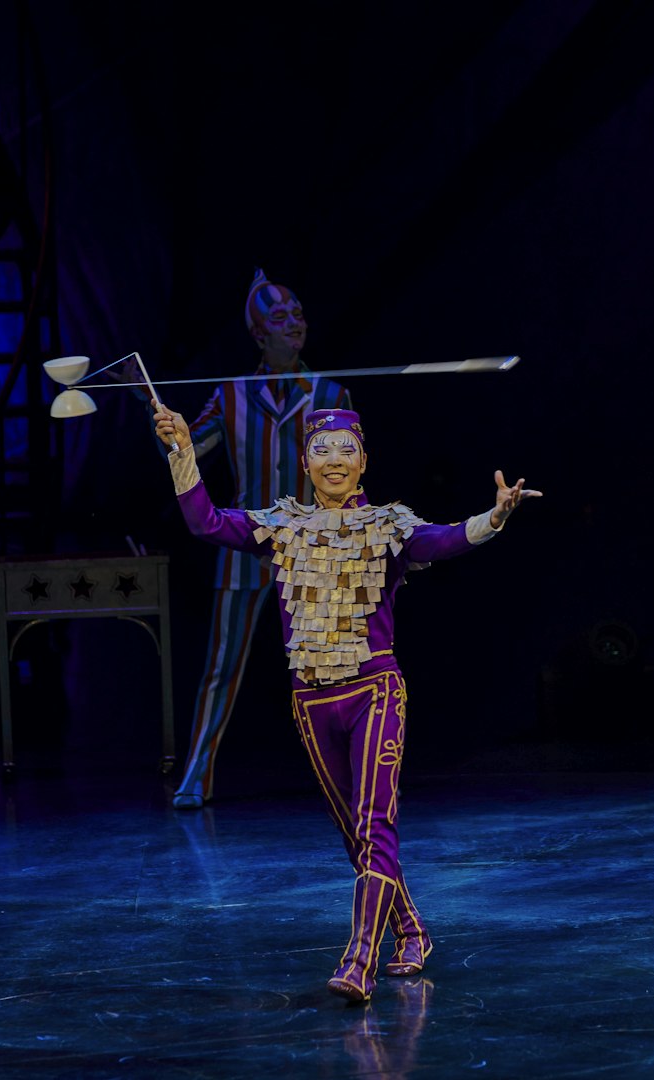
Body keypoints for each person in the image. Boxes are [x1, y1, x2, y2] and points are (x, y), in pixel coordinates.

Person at [151, 400, 541, 1002]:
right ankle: (411, 930)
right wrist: (182, 448)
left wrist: (494, 516)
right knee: (355, 835)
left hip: (373, 691)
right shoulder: (282, 527)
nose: (334, 460)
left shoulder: (387, 526)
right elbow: (205, 522)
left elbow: (442, 540)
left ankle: (359, 958)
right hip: (310, 700)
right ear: (305, 462)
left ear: (365, 461)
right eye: (321, 450)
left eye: (346, 450)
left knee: (374, 822)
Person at [167, 269, 352, 810]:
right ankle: (196, 774)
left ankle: (349, 773)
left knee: (335, 666)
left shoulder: (330, 392)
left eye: (298, 315)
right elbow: (189, 453)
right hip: (247, 547)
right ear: (257, 333)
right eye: (280, 317)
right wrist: (171, 434)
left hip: (315, 552)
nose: (294, 324)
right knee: (221, 666)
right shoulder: (231, 395)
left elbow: (350, 467)